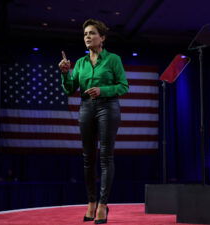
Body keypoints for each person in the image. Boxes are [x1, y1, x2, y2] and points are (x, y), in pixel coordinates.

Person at [58, 18, 128, 224]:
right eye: (85, 34)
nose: (87, 37)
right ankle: (90, 202)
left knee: (106, 157)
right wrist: (65, 74)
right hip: (86, 107)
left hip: (108, 107)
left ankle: (103, 205)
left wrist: (103, 90)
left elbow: (123, 86)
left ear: (102, 38)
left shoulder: (113, 59)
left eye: (92, 33)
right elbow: (70, 88)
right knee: (88, 158)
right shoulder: (80, 63)